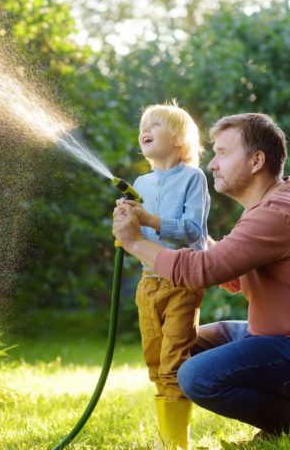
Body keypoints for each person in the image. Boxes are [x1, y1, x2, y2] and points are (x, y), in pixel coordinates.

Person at [113, 112, 290, 444]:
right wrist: (195, 239)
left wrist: (136, 242)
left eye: (223, 153)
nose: (212, 164)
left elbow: (200, 272)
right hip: (267, 333)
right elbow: (230, 270)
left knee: (195, 375)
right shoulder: (266, 206)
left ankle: (283, 421)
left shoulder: (274, 213)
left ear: (256, 161)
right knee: (180, 343)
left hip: (284, 343)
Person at [128, 102, 210, 450]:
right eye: (143, 125)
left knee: (174, 361)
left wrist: (150, 221)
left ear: (178, 139)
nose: (144, 129)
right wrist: (125, 221)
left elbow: (193, 231)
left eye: (155, 124)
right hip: (148, 283)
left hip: (182, 283)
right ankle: (167, 438)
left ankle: (176, 443)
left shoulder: (193, 178)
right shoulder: (140, 182)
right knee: (153, 359)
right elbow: (133, 235)